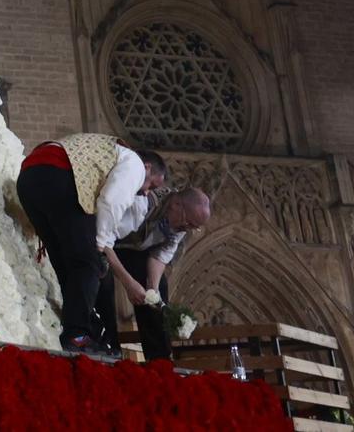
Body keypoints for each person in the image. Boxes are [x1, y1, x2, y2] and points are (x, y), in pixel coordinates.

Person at [15, 131, 167, 354]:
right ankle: (77, 336)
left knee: (66, 263)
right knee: (89, 264)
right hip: (59, 176)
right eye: (151, 185)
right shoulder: (134, 163)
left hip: (30, 178)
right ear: (147, 167)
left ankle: (87, 330)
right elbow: (111, 201)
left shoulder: (111, 154)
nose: (145, 192)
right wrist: (100, 242)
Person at [93, 185, 212, 359]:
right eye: (187, 221)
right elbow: (103, 239)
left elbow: (160, 256)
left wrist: (152, 291)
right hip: (103, 243)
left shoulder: (182, 225)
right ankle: (110, 343)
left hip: (133, 249)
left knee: (157, 292)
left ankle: (159, 358)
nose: (186, 227)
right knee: (103, 278)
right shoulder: (142, 203)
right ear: (177, 204)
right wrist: (129, 283)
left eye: (193, 226)